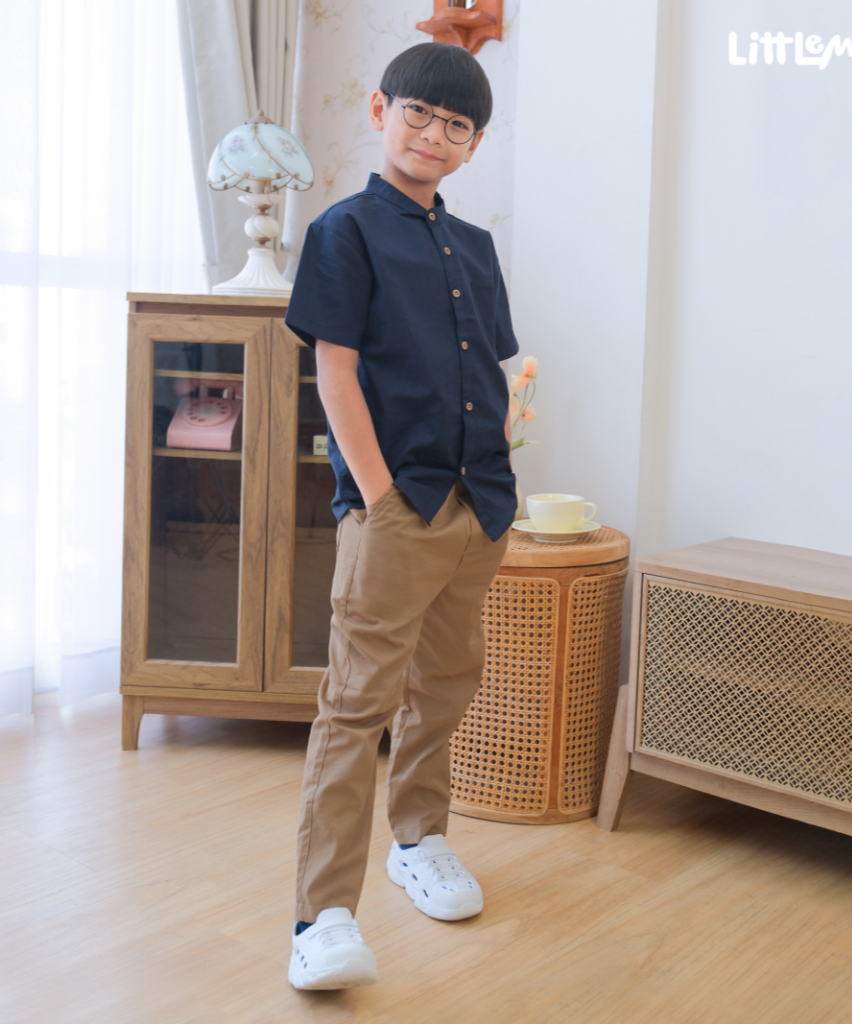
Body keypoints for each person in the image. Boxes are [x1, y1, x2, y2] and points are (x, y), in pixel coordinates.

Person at [284, 41, 518, 991]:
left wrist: (503, 470)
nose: (434, 134)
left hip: (478, 505)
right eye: (419, 113)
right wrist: (379, 498)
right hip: (395, 508)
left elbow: (491, 370)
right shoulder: (343, 232)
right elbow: (335, 374)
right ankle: (321, 917)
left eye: (457, 125)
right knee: (356, 706)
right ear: (382, 111)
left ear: (473, 146)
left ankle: (419, 839)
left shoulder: (478, 249)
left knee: (447, 683)